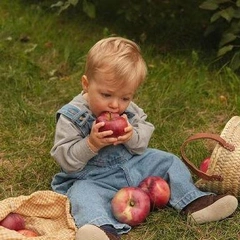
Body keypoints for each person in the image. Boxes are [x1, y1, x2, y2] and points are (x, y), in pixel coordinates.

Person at [50, 37, 238, 240]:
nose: (116, 105)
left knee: (168, 161)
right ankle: (101, 229)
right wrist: (91, 144)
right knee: (81, 194)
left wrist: (132, 136)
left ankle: (194, 202)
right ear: (86, 84)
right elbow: (64, 159)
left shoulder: (128, 111)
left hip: (133, 165)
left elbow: (142, 142)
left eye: (125, 97)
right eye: (106, 95)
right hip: (93, 178)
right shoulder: (73, 116)